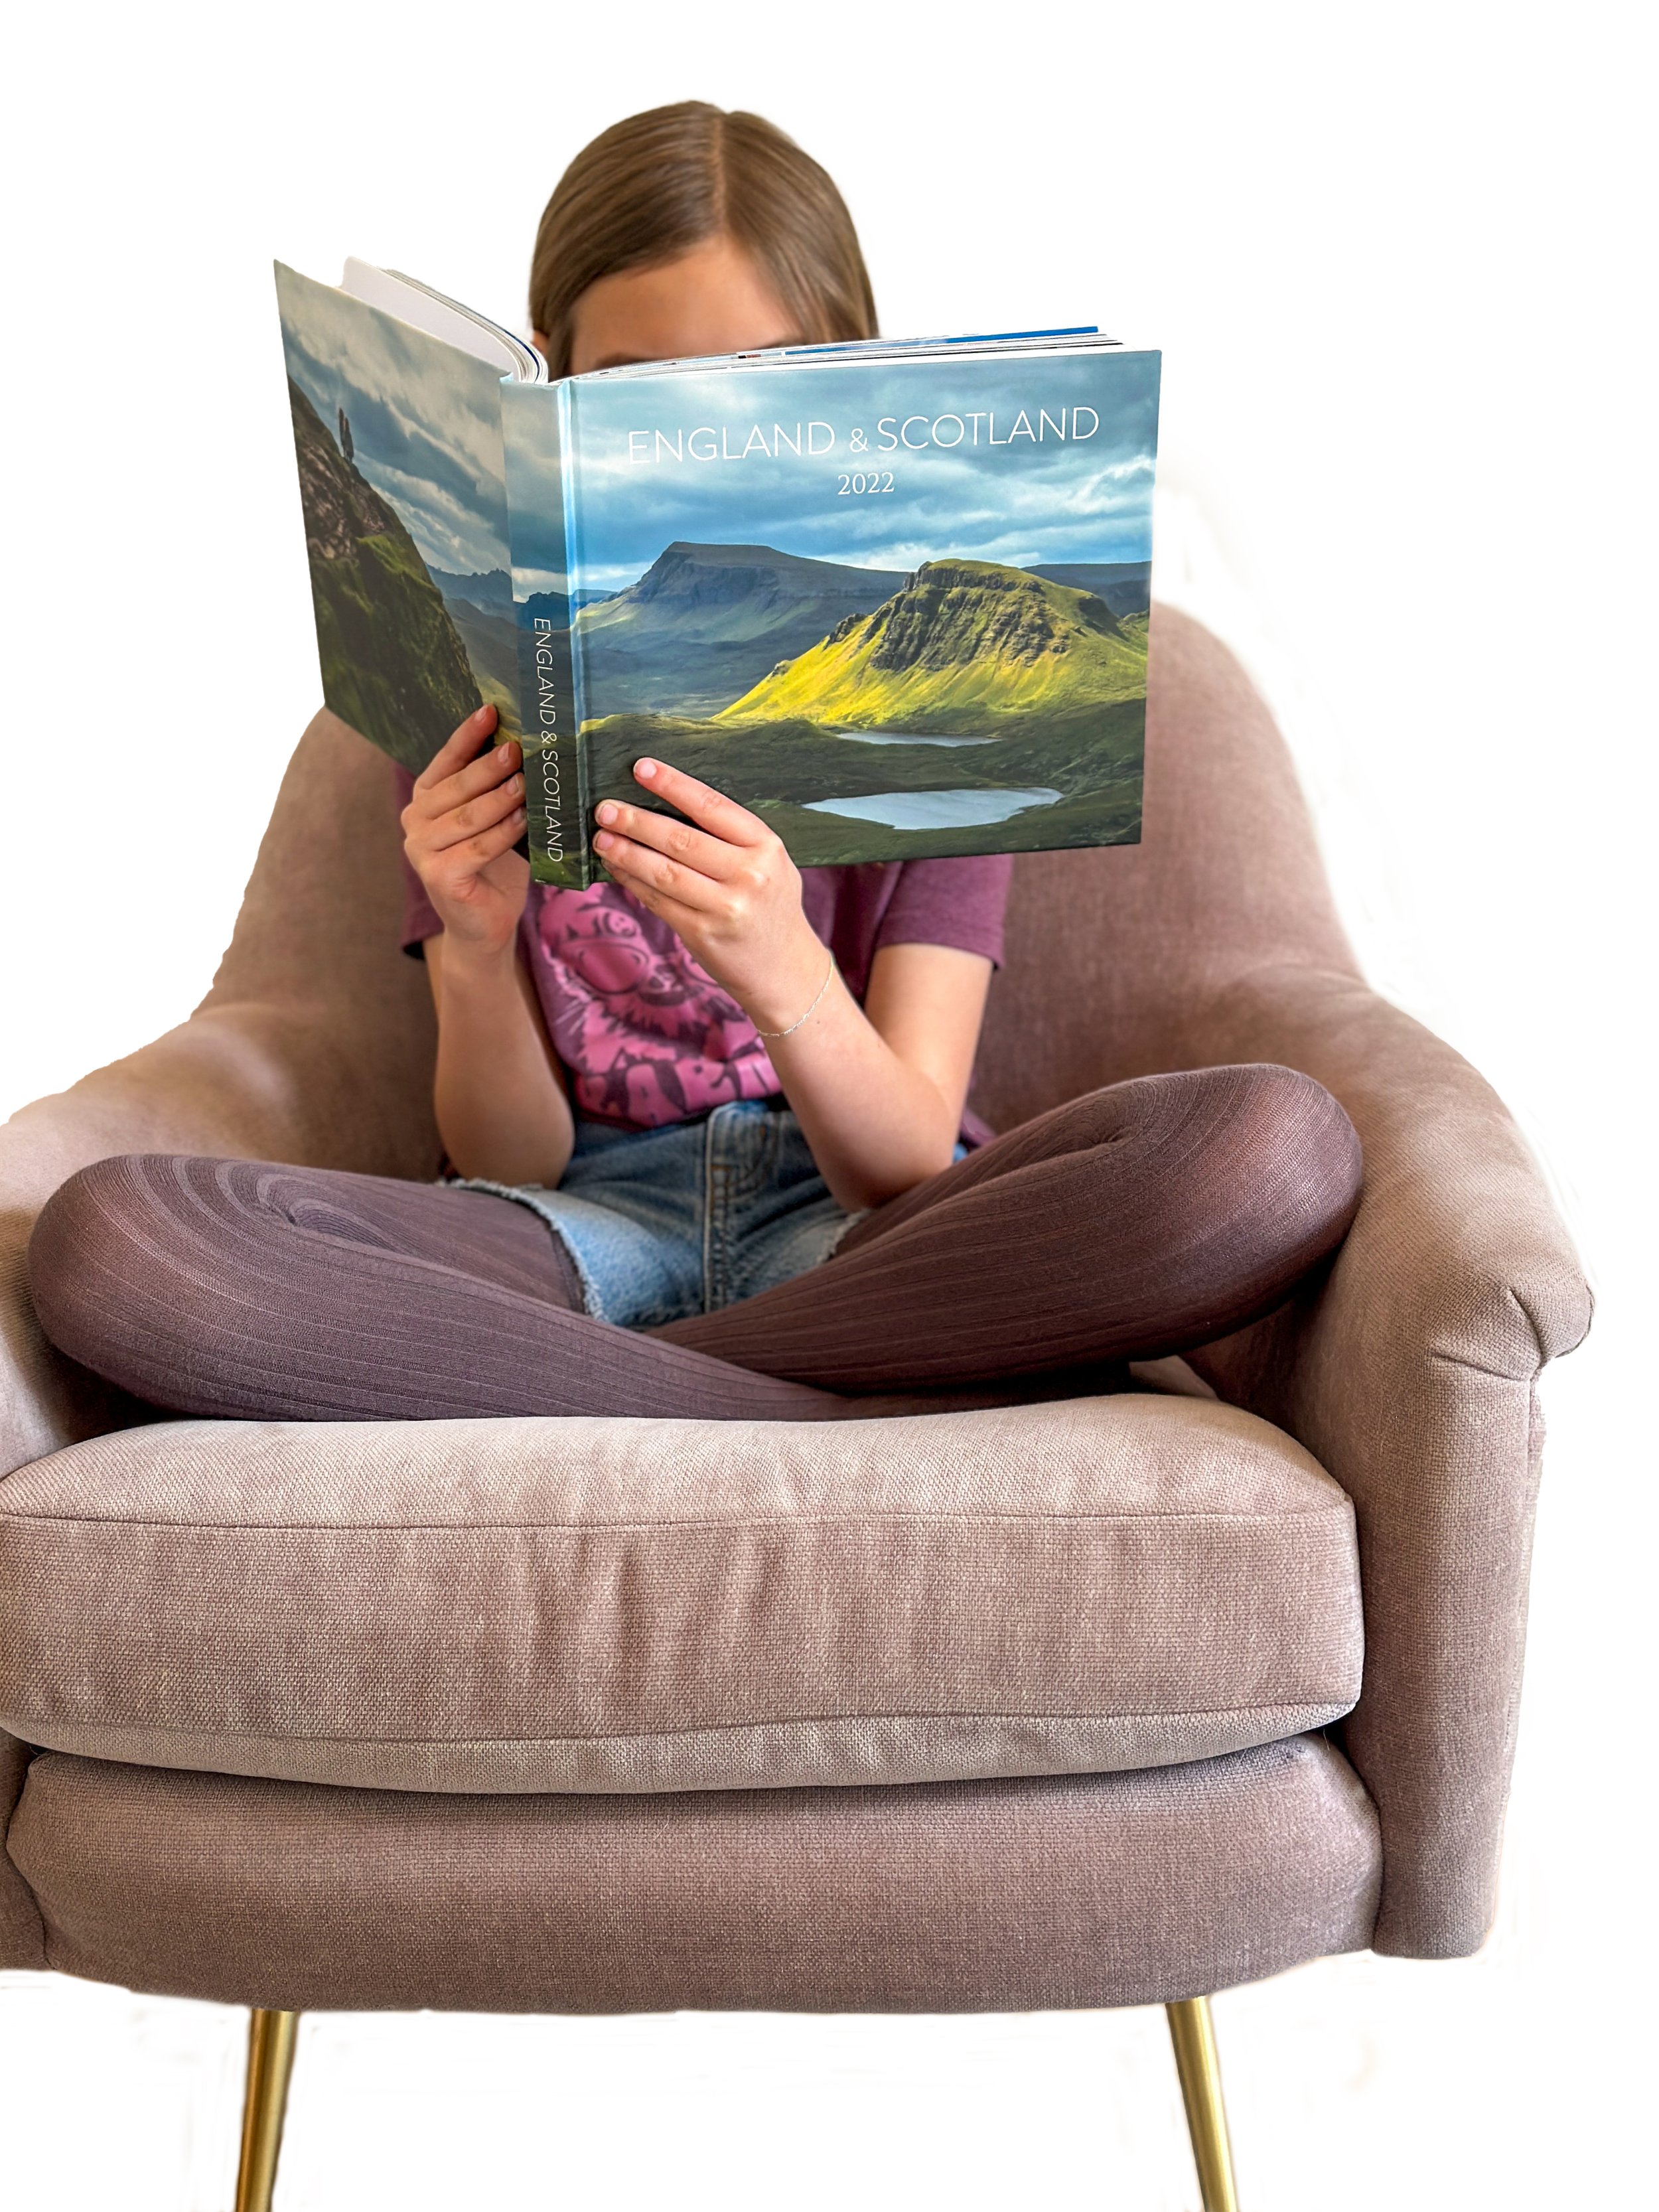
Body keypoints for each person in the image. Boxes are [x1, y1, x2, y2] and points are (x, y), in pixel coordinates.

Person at [27, 103, 1362, 1425]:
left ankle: (630, 1377)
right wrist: (477, 947)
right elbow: (510, 1156)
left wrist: (782, 964)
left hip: (854, 1231)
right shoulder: (479, 702)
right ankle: (800, 1383)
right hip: (576, 1227)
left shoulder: (950, 736)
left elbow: (900, 1161)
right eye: (635, 393)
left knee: (1266, 1159)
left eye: (758, 385)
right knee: (119, 1245)